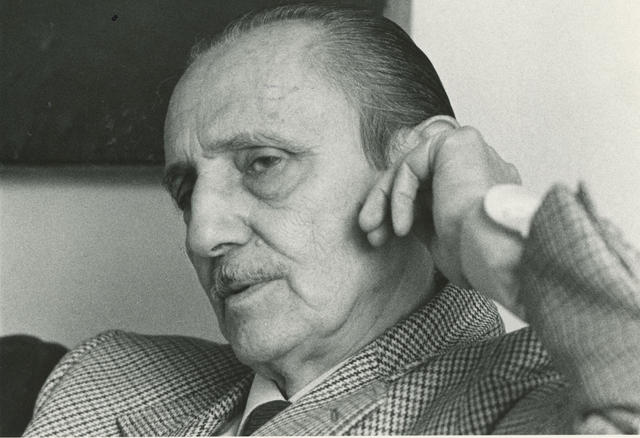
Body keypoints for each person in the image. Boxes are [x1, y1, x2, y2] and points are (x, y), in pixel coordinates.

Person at [24, 4, 640, 435]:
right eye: (186, 191)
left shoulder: (544, 400)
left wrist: (494, 231)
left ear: (418, 165)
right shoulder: (105, 376)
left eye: (263, 163)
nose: (203, 235)